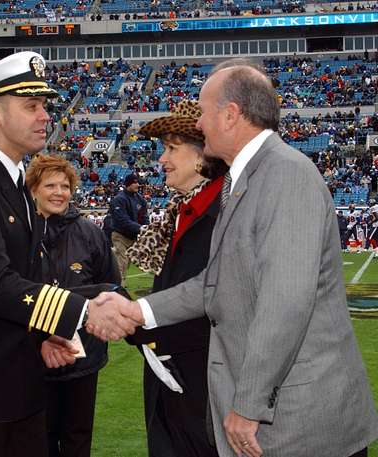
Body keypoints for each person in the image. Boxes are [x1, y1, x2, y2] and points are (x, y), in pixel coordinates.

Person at [91, 59, 378, 457]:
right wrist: (139, 312)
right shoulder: (244, 181)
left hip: (298, 422)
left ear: (230, 115)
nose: (201, 123)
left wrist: (248, 404)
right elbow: (217, 281)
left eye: (205, 111)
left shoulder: (285, 175)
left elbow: (286, 302)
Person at [0, 51, 137, 457]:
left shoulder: (14, 183)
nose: (45, 116)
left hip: (23, 378)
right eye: (32, 106)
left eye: (44, 106)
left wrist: (41, 339)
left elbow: (25, 280)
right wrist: (83, 310)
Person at [126, 100, 226, 457]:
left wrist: (135, 321)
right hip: (174, 372)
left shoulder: (223, 212)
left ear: (203, 154)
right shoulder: (182, 208)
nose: (161, 160)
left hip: (200, 380)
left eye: (171, 148)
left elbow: (213, 300)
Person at [26, 154, 121, 457]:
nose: (59, 192)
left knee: (78, 438)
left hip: (84, 358)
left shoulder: (90, 233)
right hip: (33, 357)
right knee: (37, 438)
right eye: (50, 185)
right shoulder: (20, 234)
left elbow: (111, 287)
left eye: (65, 185)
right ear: (33, 189)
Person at [109, 173, 148, 285]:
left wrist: (147, 227)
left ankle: (119, 279)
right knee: (123, 259)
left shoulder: (140, 199)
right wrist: (141, 228)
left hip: (133, 235)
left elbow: (144, 216)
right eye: (135, 182)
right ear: (128, 184)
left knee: (128, 261)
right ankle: (118, 284)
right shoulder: (119, 199)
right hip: (120, 234)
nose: (137, 184)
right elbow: (122, 220)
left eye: (137, 182)